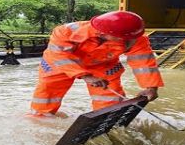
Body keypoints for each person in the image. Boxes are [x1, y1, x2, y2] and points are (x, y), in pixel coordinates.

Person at [30, 11, 164, 116]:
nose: (129, 41)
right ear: (104, 33)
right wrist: (85, 76)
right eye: (124, 39)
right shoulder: (65, 31)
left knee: (109, 99)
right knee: (47, 94)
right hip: (59, 63)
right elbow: (59, 56)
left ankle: (107, 119)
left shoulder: (136, 38)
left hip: (104, 65)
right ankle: (40, 119)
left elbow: (144, 63)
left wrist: (151, 87)